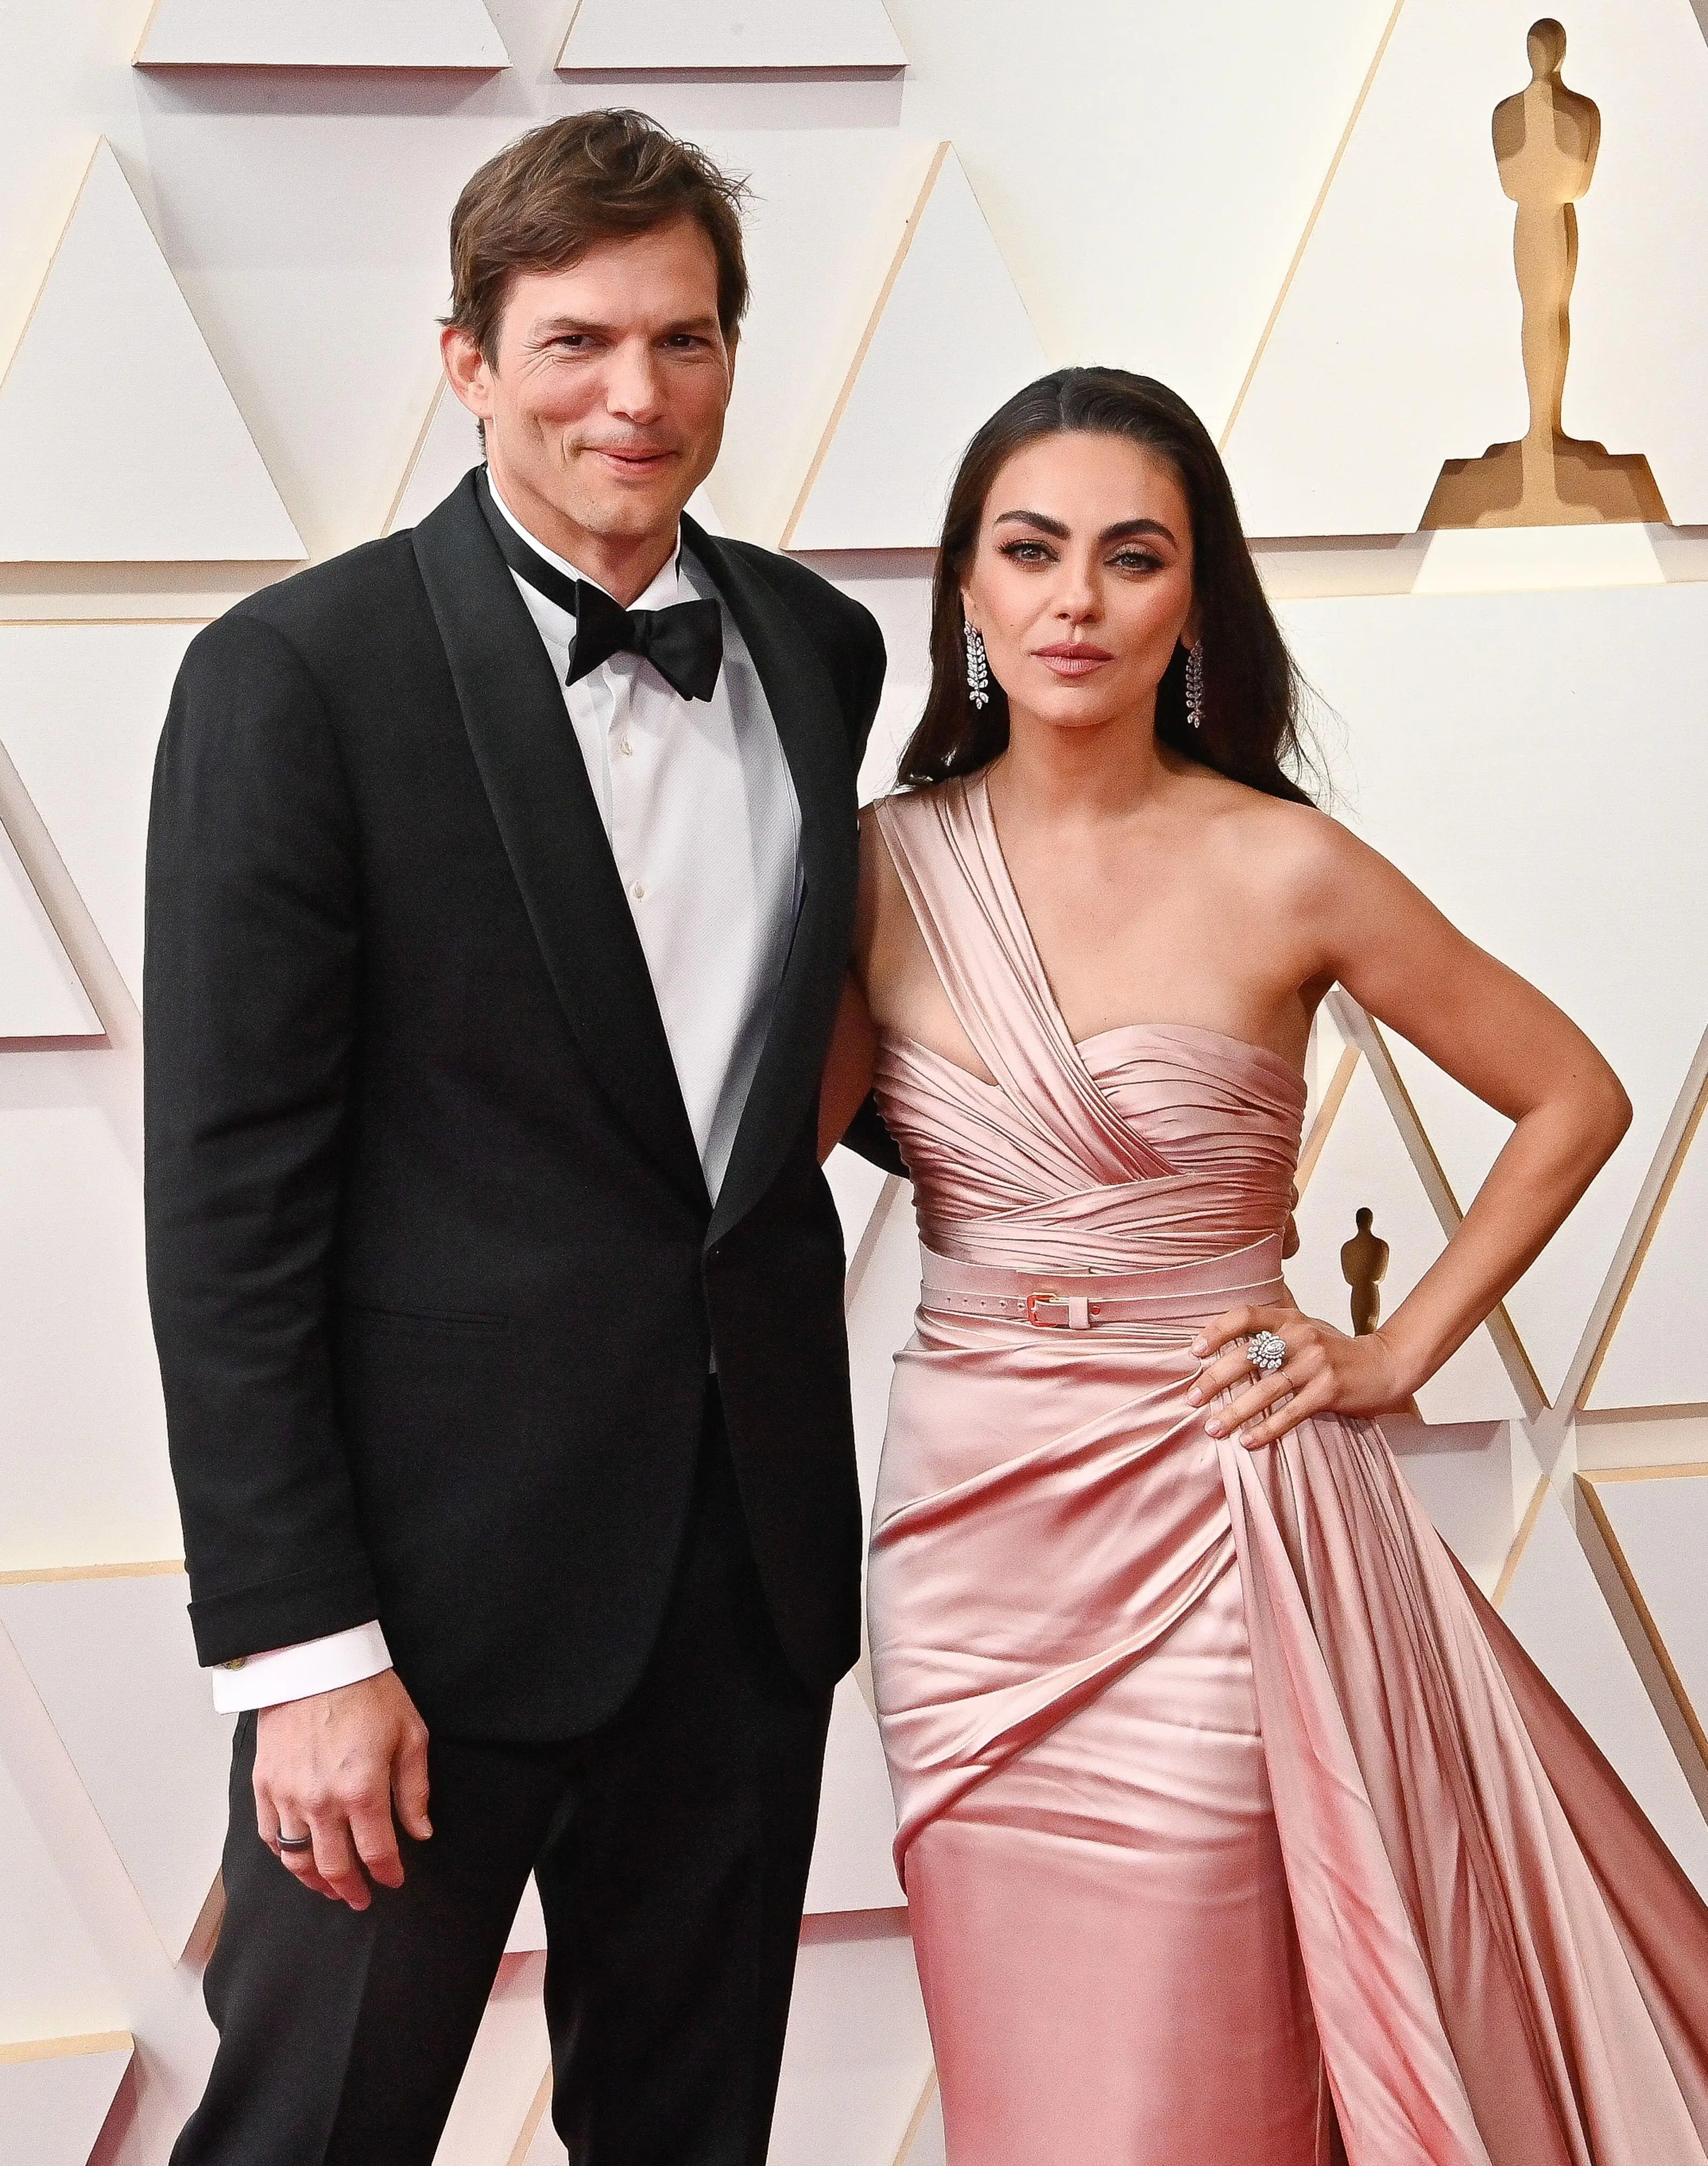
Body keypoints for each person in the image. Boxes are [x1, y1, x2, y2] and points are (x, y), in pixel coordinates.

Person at [821, 366, 1708, 2164]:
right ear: (970, 593)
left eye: (1132, 557)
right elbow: (758, 1165)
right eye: (1033, 551)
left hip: (1217, 1518)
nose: (1077, 600)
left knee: (1189, 2068)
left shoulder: (1285, 863)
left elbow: (1571, 1094)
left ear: (1195, 600)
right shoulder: (873, 872)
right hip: (968, 1546)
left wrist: (1395, 1356)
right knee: (1033, 2083)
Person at [146, 110, 889, 2166]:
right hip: (413, 1623)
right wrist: (299, 1655)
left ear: (736, 357)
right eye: (572, 341)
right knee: (308, 2135)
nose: (633, 397)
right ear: (465, 357)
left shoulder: (823, 656)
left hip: (739, 1591)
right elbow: (226, 1211)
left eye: (683, 341)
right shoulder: (297, 677)